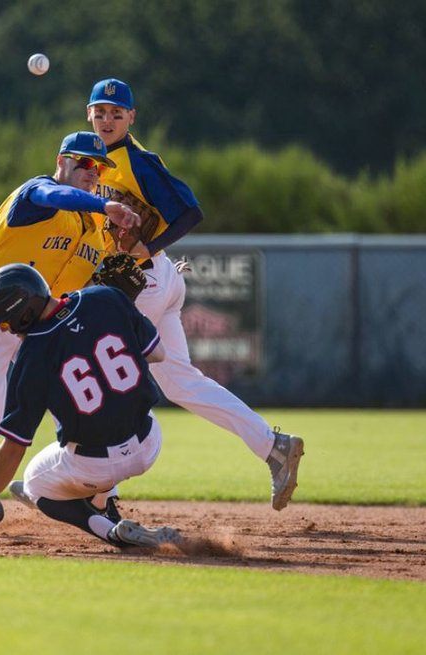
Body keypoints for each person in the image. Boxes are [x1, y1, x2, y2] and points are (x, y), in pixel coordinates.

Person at [84, 78, 305, 510]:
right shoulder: (95, 160)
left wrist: (148, 248)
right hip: (157, 280)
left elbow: (190, 211)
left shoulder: (136, 160)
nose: (107, 119)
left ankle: (97, 493)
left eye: (116, 113)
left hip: (142, 283)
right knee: (182, 382)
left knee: (96, 367)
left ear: (131, 117)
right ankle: (273, 446)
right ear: (88, 114)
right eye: (100, 112)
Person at [0, 131, 141, 523]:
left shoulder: (94, 227)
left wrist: (126, 256)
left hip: (39, 321)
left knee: (79, 407)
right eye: (84, 163)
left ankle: (103, 498)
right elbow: (54, 197)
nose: (93, 172)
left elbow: (95, 283)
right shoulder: (35, 194)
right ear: (62, 160)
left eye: (100, 167)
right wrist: (106, 204)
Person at [0, 263, 182, 548]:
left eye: (5, 321)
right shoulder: (106, 297)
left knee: (34, 484)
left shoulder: (32, 355)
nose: (5, 329)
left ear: (23, 312)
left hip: (94, 465)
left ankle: (111, 531)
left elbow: (14, 447)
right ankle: (100, 498)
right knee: (117, 408)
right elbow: (157, 354)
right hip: (148, 442)